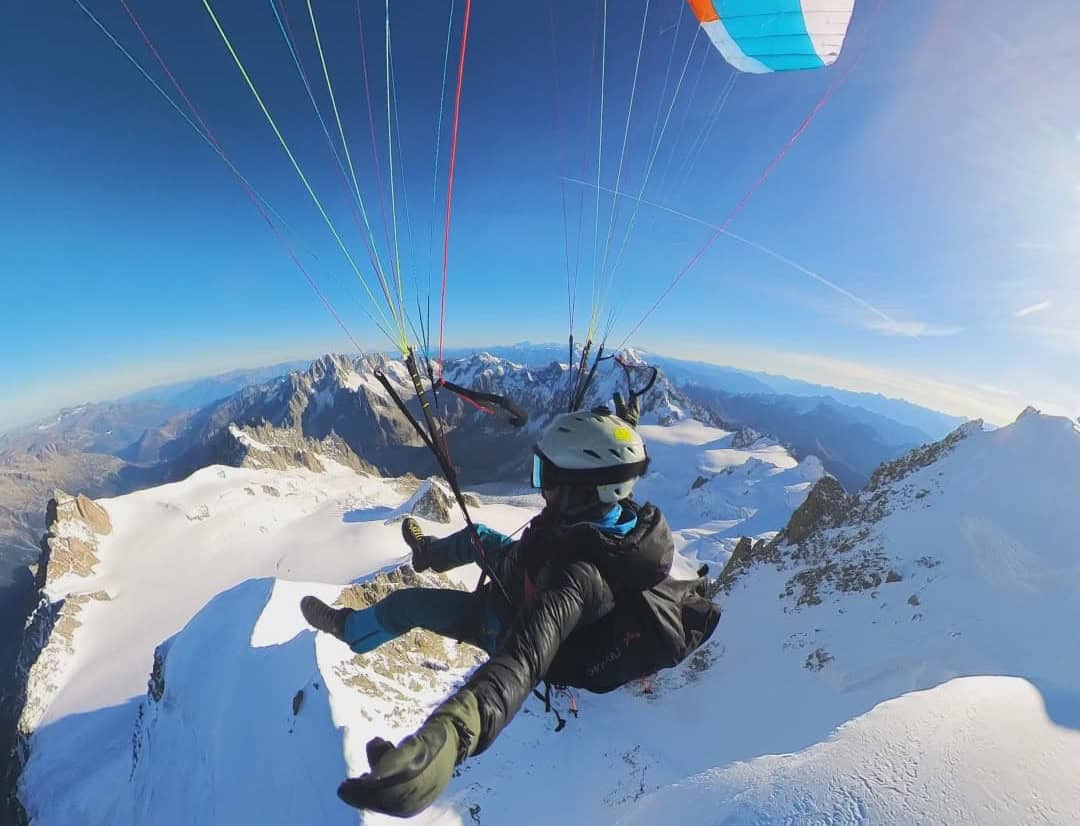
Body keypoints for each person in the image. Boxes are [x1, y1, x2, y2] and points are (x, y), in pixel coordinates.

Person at [300, 409, 675, 817]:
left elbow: (522, 661)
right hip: (523, 574)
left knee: (409, 605)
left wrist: (443, 743)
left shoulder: (579, 579)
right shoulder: (609, 517)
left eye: (547, 479)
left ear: (581, 491)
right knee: (478, 537)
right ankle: (429, 555)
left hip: (503, 620)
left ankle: (350, 629)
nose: (541, 489)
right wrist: (623, 421)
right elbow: (610, 471)